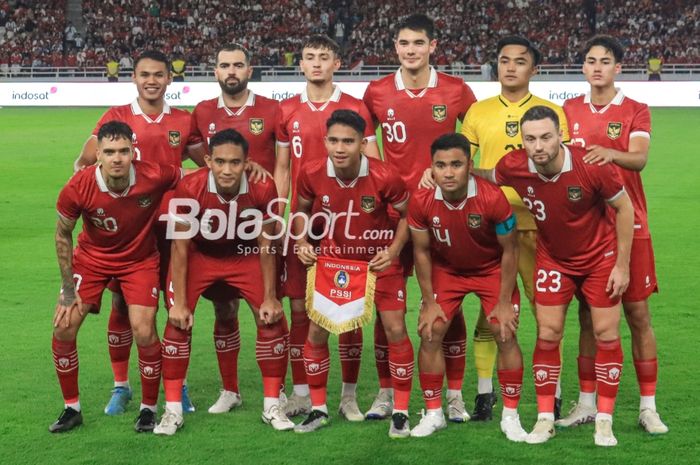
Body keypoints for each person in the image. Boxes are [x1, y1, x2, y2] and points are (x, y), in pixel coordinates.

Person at [478, 105, 634, 447]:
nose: (539, 146)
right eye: (530, 139)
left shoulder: (590, 166)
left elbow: (625, 208)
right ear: (522, 141)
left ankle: (604, 421)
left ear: (560, 135)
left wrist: (622, 265)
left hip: (599, 258)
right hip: (554, 260)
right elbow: (488, 175)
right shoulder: (514, 166)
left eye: (546, 137)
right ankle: (545, 418)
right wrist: (447, 171)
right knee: (548, 333)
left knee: (606, 333)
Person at [75, 50, 206, 416]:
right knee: (121, 305)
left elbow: (206, 164)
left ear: (169, 79)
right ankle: (122, 387)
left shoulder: (183, 119)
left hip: (173, 229)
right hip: (130, 232)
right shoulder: (117, 117)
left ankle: (178, 386)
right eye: (145, 74)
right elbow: (86, 160)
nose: (152, 80)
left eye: (158, 75)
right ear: (134, 78)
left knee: (175, 304)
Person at [363, 13, 477, 422]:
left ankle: (455, 395)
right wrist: (384, 178)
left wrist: (451, 179)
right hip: (389, 213)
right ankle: (385, 392)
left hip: (440, 213)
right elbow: (363, 137)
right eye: (403, 43)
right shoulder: (377, 91)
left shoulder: (455, 89)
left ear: (433, 47)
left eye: (418, 43)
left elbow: (475, 137)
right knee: (384, 307)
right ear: (395, 47)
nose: (410, 50)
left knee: (450, 304)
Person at [457, 36, 569, 421]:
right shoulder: (477, 111)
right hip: (490, 228)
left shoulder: (553, 112)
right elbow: (463, 165)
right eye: (504, 60)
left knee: (545, 311)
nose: (510, 67)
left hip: (541, 226)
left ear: (533, 69)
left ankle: (551, 391)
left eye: (520, 62)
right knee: (490, 311)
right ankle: (485, 393)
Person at [561, 35, 668, 434]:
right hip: (586, 228)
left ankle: (647, 407)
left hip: (631, 224)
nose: (597, 67)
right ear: (584, 67)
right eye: (591, 61)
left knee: (638, 316)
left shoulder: (635, 109)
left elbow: (639, 158)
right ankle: (586, 404)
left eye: (605, 61)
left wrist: (610, 153)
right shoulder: (569, 109)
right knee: (587, 319)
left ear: (618, 68)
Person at [154, 129, 292, 435]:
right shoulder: (190, 186)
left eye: (234, 162)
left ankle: (272, 405)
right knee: (177, 321)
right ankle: (173, 410)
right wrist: (179, 302)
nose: (227, 169)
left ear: (247, 162)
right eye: (219, 162)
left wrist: (270, 296)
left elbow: (267, 242)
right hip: (201, 254)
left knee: (271, 318)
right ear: (207, 161)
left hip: (245, 255)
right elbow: (179, 244)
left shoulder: (262, 185)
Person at [50, 121, 182, 433]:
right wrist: (68, 290)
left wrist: (248, 169)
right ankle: (72, 408)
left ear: (133, 151)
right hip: (92, 260)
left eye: (124, 150)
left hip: (139, 260)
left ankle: (148, 408)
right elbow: (62, 236)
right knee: (64, 326)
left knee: (144, 329)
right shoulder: (78, 187)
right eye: (109, 152)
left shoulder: (154, 174)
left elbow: (192, 176)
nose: (117, 158)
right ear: (98, 154)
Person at [275, 35, 379, 421]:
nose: (316, 63)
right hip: (305, 220)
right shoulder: (288, 110)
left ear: (337, 63)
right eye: (309, 57)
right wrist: (280, 214)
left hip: (349, 222)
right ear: (300, 64)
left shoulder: (354, 107)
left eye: (323, 57)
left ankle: (348, 396)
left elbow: (373, 161)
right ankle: (303, 393)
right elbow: (283, 168)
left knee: (350, 307)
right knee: (300, 308)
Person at [292, 110, 413, 438]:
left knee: (396, 328)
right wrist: (302, 241)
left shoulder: (385, 175)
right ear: (325, 141)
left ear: (362, 143)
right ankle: (318, 409)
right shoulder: (311, 172)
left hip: (378, 263)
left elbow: (407, 215)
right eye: (334, 140)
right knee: (317, 334)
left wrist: (393, 252)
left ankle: (401, 412)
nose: (340, 147)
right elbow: (300, 210)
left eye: (348, 141)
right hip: (334, 266)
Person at [408, 133, 526, 441]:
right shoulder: (420, 200)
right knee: (430, 330)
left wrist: (503, 301)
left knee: (504, 330)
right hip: (448, 271)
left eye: (457, 165)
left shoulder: (492, 197)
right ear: (431, 168)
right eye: (441, 165)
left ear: (469, 165)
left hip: (491, 269)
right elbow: (420, 252)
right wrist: (428, 301)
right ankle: (434, 413)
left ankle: (510, 416)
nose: (448, 172)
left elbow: (510, 250)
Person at [187, 43, 282, 414]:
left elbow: (287, 160)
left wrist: (275, 196)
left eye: (238, 65)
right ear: (215, 71)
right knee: (224, 310)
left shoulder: (272, 110)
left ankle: (280, 392)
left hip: (260, 222)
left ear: (249, 69)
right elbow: (198, 153)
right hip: (217, 227)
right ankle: (230, 390)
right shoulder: (203, 111)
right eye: (224, 65)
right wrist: (227, 172)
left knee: (271, 308)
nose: (231, 71)